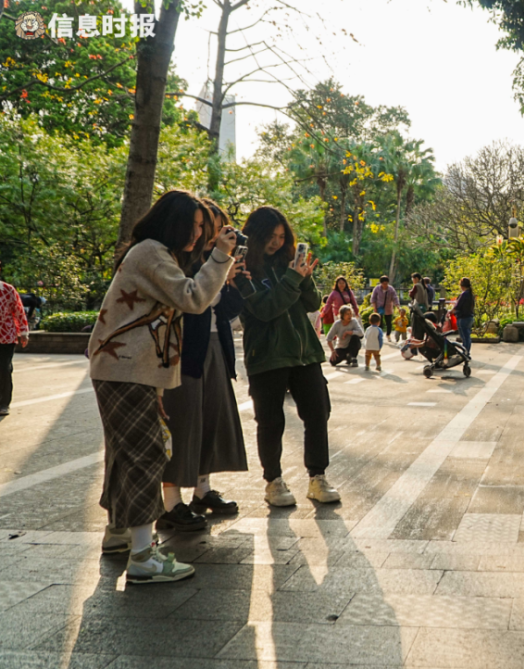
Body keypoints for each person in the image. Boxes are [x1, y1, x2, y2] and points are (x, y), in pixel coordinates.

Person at [89, 190, 235, 583]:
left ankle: (119, 535)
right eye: (196, 225)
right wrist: (220, 257)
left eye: (205, 228)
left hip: (127, 368)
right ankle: (142, 556)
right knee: (146, 453)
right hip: (125, 368)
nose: (200, 234)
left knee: (127, 452)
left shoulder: (153, 253)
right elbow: (194, 298)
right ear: (174, 222)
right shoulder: (151, 252)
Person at [236, 206, 341, 507]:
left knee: (318, 413)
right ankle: (274, 481)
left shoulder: (287, 265)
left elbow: (312, 303)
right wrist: (292, 280)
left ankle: (317, 478)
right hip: (267, 355)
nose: (277, 243)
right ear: (255, 236)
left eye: (282, 236)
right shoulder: (243, 271)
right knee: (270, 421)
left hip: (304, 353)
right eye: (270, 236)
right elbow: (265, 309)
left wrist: (303, 277)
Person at [158, 201, 248, 531]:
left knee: (209, 420)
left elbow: (224, 313)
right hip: (185, 350)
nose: (218, 235)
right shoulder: (181, 261)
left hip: (215, 346)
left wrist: (232, 283)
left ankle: (202, 490)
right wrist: (217, 271)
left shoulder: (217, 263)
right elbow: (191, 302)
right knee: (182, 422)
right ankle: (171, 504)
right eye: (213, 227)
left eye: (225, 228)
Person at [0, 260, 29, 416]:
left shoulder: (7, 289)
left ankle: (4, 403)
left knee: (4, 368)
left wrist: (23, 332)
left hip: (6, 336)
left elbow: (19, 311)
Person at [450, 277, 474, 355]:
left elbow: (457, 306)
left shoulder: (464, 294)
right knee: (467, 336)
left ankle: (465, 352)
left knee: (464, 337)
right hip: (469, 317)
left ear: (462, 286)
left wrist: (450, 312)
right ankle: (467, 352)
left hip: (463, 318)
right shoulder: (470, 294)